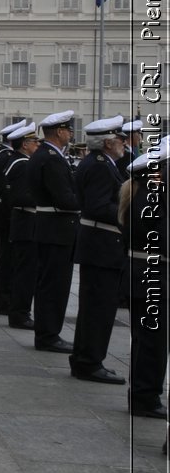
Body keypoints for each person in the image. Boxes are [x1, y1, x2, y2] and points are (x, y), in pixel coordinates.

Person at [69, 117, 128, 384]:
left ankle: (85, 358)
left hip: (98, 245)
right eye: (120, 140)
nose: (124, 144)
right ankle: (90, 362)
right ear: (108, 143)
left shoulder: (99, 163)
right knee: (99, 309)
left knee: (93, 307)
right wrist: (127, 214)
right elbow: (98, 206)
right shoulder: (102, 167)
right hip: (102, 246)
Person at [24, 111, 81, 353]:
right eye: (68, 130)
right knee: (54, 285)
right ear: (59, 132)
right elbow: (64, 197)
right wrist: (85, 202)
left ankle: (47, 332)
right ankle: (48, 335)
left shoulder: (44, 155)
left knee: (49, 283)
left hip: (50, 226)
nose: (70, 134)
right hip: (56, 228)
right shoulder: (51, 158)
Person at [123, 143, 168, 419]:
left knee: (147, 340)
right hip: (151, 277)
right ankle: (144, 397)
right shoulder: (149, 199)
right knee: (152, 342)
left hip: (144, 275)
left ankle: (143, 394)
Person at [1, 124, 43, 332]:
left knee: (23, 270)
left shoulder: (18, 162)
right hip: (26, 222)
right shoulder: (23, 165)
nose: (38, 145)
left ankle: (19, 311)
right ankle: (20, 313)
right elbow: (19, 196)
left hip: (24, 222)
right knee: (25, 272)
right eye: (35, 142)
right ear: (25, 145)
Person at [0, 121, 30, 316]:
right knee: (7, 259)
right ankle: (4, 300)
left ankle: (3, 299)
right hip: (5, 210)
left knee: (5, 258)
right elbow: (6, 188)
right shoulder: (9, 158)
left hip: (0, 208)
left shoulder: (1, 155)